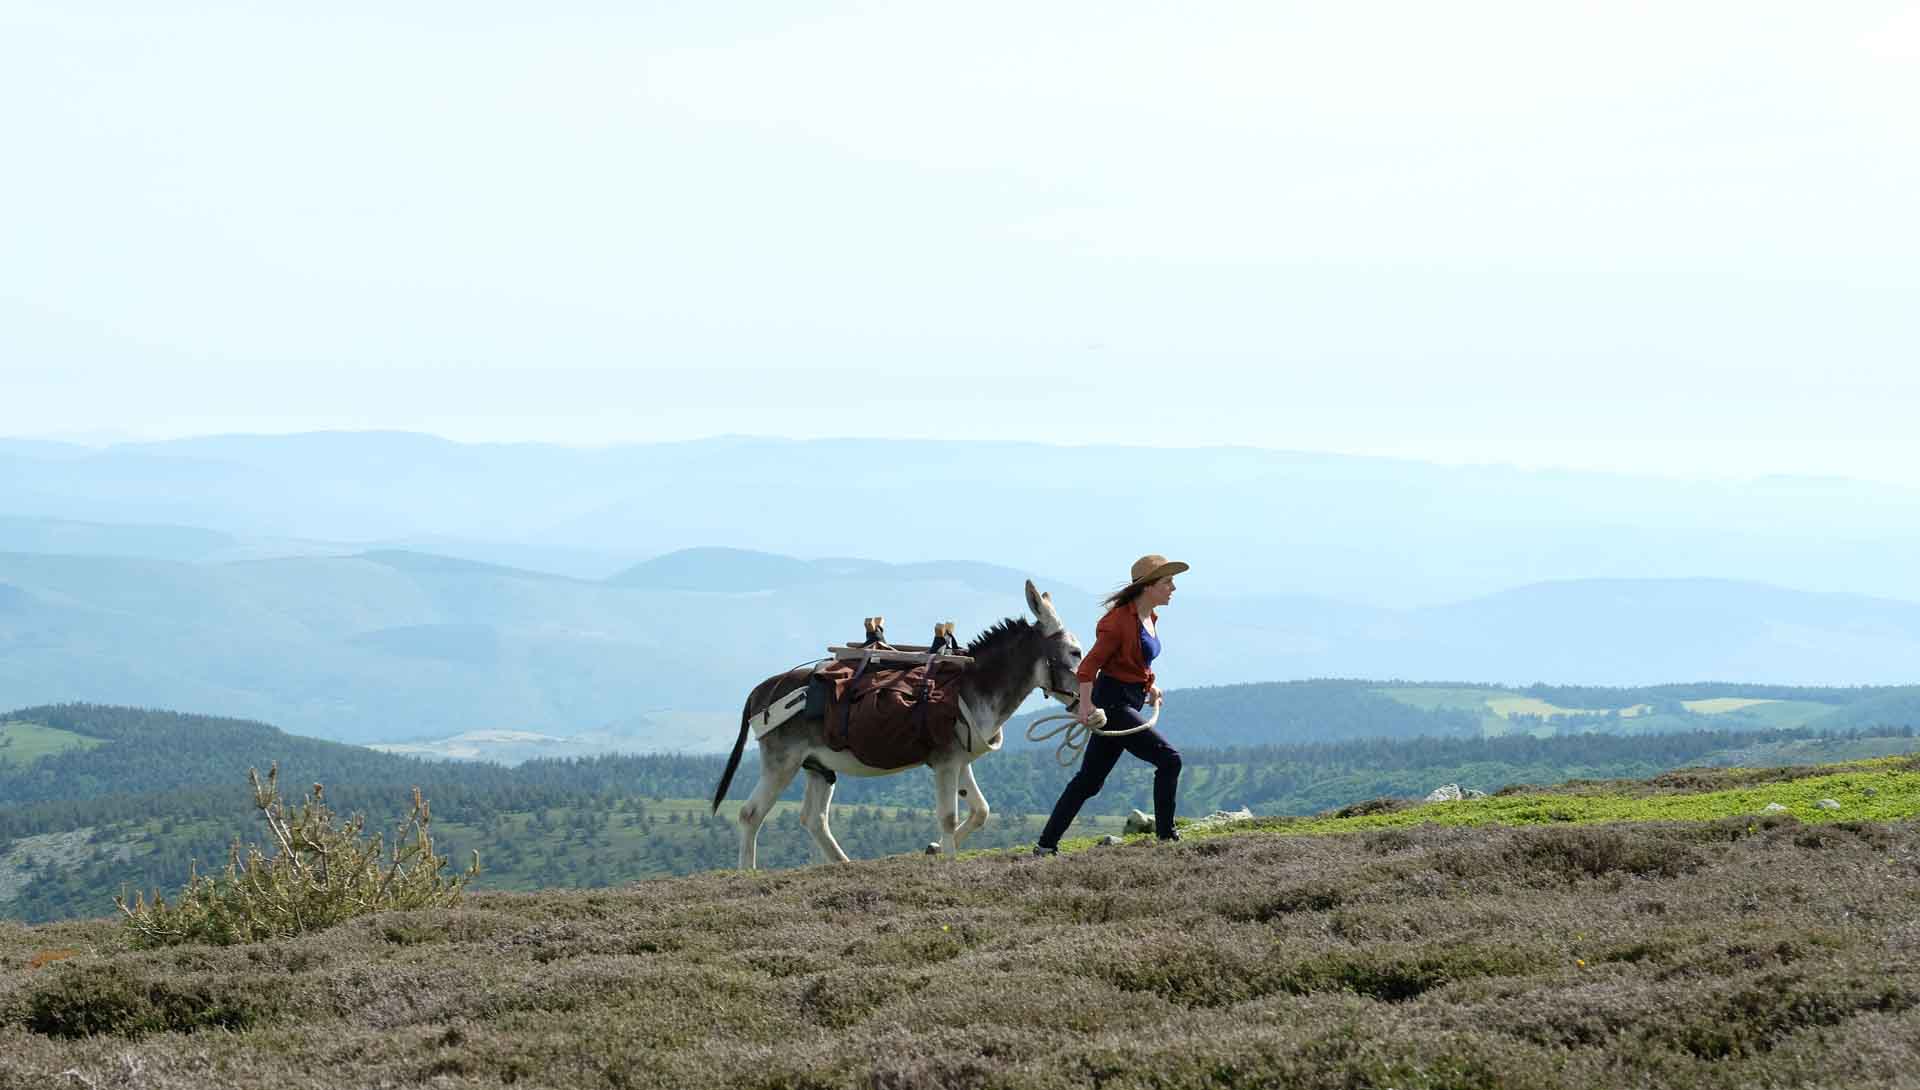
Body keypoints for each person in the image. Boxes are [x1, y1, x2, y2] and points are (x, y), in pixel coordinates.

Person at [1033, 554, 1188, 855]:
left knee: (1089, 782)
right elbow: (1088, 668)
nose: (1173, 588)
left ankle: (1045, 846)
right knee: (1170, 760)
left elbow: (1136, 661)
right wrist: (1086, 708)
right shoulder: (1116, 623)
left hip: (1129, 699)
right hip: (1112, 705)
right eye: (1168, 582)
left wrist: (1150, 685)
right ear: (1149, 586)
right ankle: (1166, 840)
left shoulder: (1149, 617)